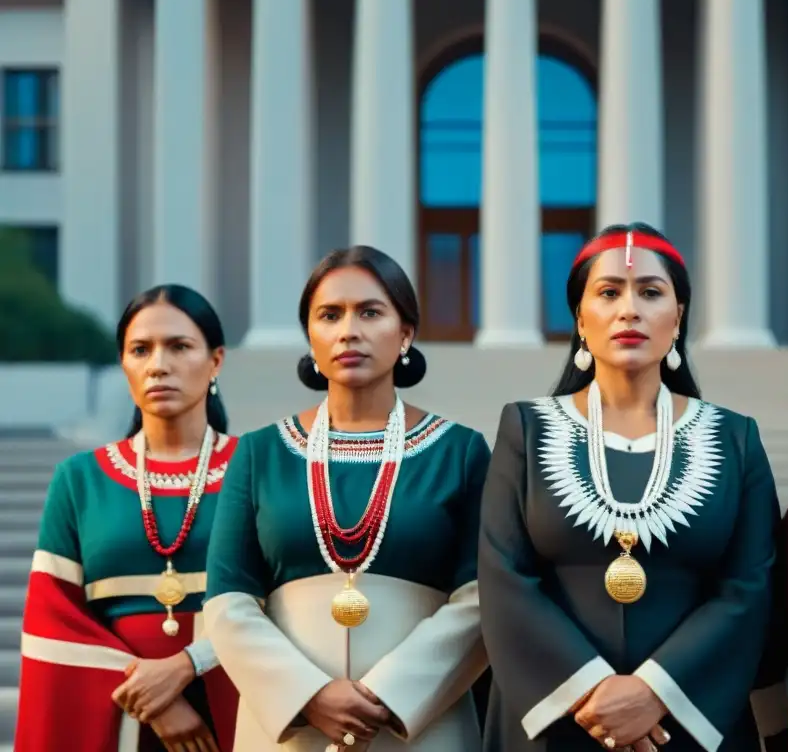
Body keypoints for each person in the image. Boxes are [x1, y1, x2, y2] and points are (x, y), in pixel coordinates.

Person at [478, 223, 786, 752]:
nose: (629, 310)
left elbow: (751, 586)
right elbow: (504, 578)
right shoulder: (526, 429)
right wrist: (592, 691)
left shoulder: (734, 438)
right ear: (580, 317)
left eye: (650, 292)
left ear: (678, 315)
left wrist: (654, 692)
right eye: (608, 293)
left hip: (687, 722)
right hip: (558, 723)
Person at [202, 246, 492, 751]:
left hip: (421, 725)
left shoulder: (460, 451)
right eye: (329, 315)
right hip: (292, 730)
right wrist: (308, 694)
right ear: (311, 337)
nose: (348, 330)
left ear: (406, 334)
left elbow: (483, 597)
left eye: (371, 312)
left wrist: (392, 693)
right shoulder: (259, 452)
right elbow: (228, 601)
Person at [16, 284, 240, 751]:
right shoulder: (80, 479)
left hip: (241, 704)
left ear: (215, 360)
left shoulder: (257, 469)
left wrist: (188, 665)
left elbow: (282, 600)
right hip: (119, 712)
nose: (159, 364)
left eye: (179, 347)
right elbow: (54, 615)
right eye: (141, 349)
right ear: (124, 364)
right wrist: (155, 699)